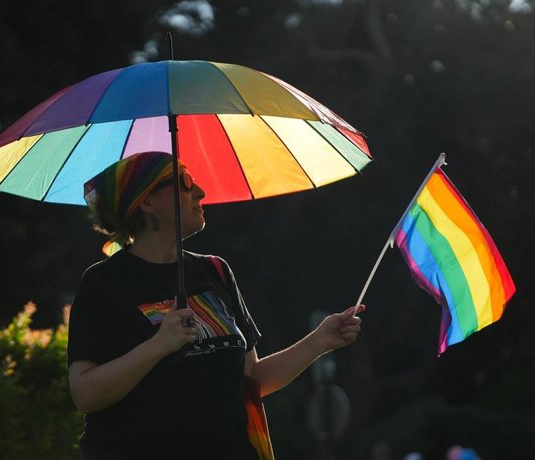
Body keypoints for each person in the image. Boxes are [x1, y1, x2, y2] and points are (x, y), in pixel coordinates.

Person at [67, 151, 364, 460]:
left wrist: (319, 341)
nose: (200, 191)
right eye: (184, 183)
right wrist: (158, 346)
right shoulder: (104, 283)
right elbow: (85, 394)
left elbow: (250, 379)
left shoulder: (214, 271)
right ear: (147, 201)